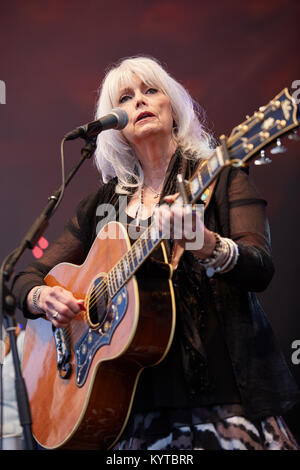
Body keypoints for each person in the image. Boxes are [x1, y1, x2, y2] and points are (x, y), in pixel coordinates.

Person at [12, 56, 300, 450]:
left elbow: (260, 268)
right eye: (126, 98)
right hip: (129, 413)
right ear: (116, 124)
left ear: (173, 105)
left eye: (151, 90)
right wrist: (42, 297)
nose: (141, 101)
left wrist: (208, 245)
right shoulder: (102, 204)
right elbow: (22, 279)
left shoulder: (219, 176)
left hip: (220, 399)